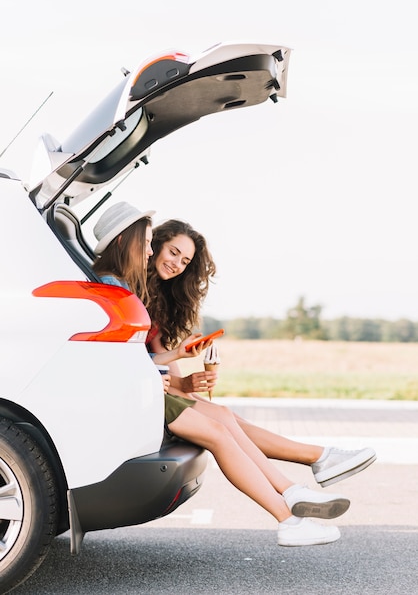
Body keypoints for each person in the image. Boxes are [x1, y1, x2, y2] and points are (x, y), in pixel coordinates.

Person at [92, 201, 350, 547]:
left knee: (223, 419)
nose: (153, 252)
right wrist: (168, 373)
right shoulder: (113, 288)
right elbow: (119, 357)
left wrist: (179, 361)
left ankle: (291, 496)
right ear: (124, 242)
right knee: (218, 432)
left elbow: (136, 355)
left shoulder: (122, 286)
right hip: (139, 391)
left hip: (148, 385)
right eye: (151, 243)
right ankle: (289, 511)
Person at [146, 219, 376, 488]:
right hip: (146, 387)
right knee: (221, 415)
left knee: (224, 414)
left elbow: (163, 360)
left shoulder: (158, 298)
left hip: (155, 382)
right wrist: (181, 383)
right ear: (156, 245)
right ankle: (315, 461)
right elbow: (150, 365)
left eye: (185, 261)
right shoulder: (135, 289)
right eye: (174, 253)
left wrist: (186, 383)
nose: (177, 264)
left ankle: (318, 459)